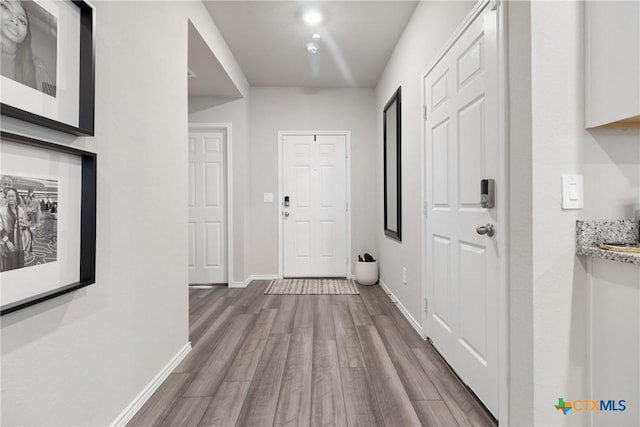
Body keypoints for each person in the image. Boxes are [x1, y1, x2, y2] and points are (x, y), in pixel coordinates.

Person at [0, 0, 55, 96]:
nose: (15, 20)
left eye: (22, 20)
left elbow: (49, 104)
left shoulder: (37, 65)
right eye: (5, 7)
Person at [0, 187, 28, 271]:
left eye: (13, 196)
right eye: (9, 196)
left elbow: (23, 226)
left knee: (19, 264)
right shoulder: (2, 211)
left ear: (16, 197)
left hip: (19, 242)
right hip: (7, 240)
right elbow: (0, 228)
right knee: (9, 265)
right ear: (6, 198)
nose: (11, 198)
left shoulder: (21, 210)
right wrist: (7, 242)